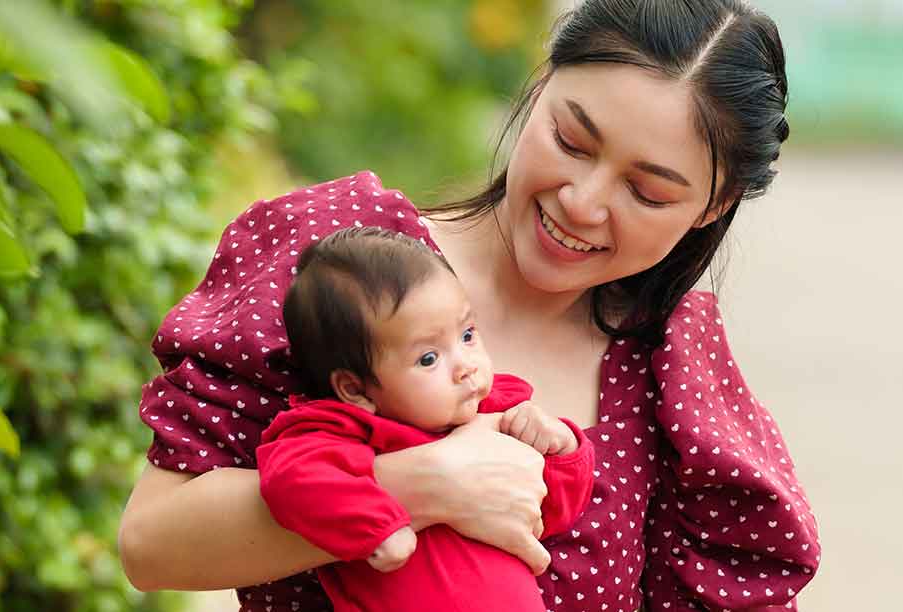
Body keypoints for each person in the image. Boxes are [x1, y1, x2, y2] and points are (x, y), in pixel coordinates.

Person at [119, 1, 821, 610]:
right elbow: (153, 546)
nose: (582, 202)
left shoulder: (668, 374)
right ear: (538, 82)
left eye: (647, 193)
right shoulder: (344, 267)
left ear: (713, 205)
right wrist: (421, 485)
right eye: (570, 141)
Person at [256, 226, 595, 612]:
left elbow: (547, 513)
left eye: (468, 335)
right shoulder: (344, 428)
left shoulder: (502, 410)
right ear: (356, 389)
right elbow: (293, 479)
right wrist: (377, 525)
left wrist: (561, 449)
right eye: (429, 358)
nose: (466, 367)